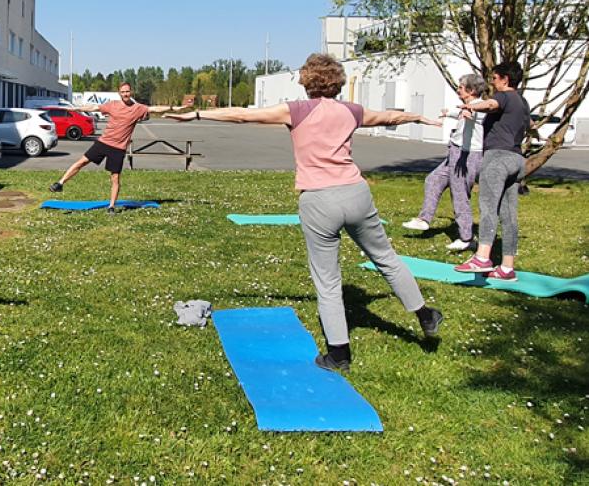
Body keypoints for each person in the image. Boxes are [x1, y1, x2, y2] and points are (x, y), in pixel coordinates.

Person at [169, 53, 444, 372]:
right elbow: (387, 117)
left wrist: (197, 114)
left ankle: (339, 355)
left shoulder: (296, 110)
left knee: (327, 280)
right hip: (356, 193)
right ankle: (425, 314)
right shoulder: (352, 111)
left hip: (319, 200)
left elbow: (243, 116)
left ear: (307, 80)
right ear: (337, 81)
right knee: (386, 258)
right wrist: (418, 118)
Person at [453, 61, 530, 281]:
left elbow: (490, 104)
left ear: (505, 79)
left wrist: (472, 106)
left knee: (488, 208)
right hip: (516, 159)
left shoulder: (504, 96)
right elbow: (526, 124)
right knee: (509, 215)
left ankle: (482, 257)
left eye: (495, 78)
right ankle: (507, 268)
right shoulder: (522, 102)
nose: (492, 82)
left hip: (497, 158)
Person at [48, 82, 174, 213]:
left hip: (118, 148)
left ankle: (111, 206)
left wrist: (172, 108)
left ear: (131, 92)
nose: (125, 94)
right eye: (123, 92)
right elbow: (94, 107)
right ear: (119, 93)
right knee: (82, 162)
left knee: (115, 177)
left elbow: (154, 109)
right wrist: (77, 109)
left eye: (127, 91)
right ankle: (60, 183)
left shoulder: (138, 108)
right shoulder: (112, 105)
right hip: (104, 142)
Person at [402, 73, 487, 250]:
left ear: (471, 90)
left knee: (460, 195)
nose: (458, 90)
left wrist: (469, 113)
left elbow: (477, 115)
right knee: (433, 180)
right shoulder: (466, 107)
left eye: (461, 87)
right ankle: (424, 219)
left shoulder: (480, 108)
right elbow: (462, 112)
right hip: (454, 153)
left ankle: (467, 238)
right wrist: (449, 113)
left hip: (467, 156)